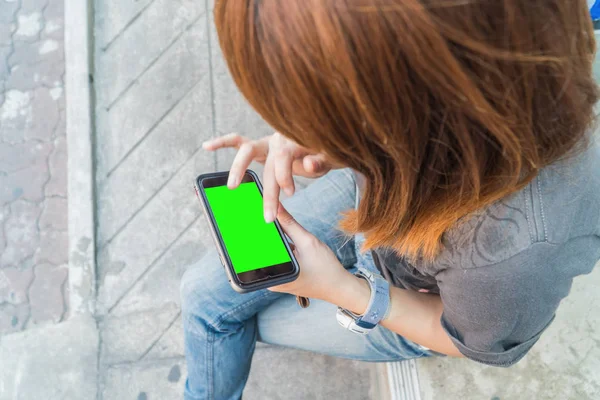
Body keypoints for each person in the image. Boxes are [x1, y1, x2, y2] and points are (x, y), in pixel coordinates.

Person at [180, 1, 600, 398]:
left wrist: (342, 289)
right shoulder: (447, 104)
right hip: (389, 190)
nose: (286, 130)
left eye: (305, 116)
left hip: (413, 296)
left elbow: (470, 341)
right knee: (203, 297)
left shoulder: (515, 251)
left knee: (238, 319)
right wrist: (325, 139)